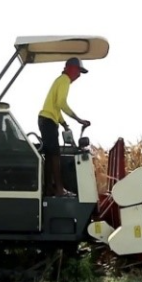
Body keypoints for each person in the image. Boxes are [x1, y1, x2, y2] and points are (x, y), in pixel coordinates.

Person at [38, 57, 91, 197]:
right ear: (71, 68)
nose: (79, 75)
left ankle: (49, 188)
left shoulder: (60, 80)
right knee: (55, 156)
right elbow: (61, 103)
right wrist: (79, 119)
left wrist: (64, 124)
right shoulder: (65, 80)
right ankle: (60, 189)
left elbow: (55, 106)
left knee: (50, 156)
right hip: (48, 120)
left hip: (47, 119)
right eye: (78, 71)